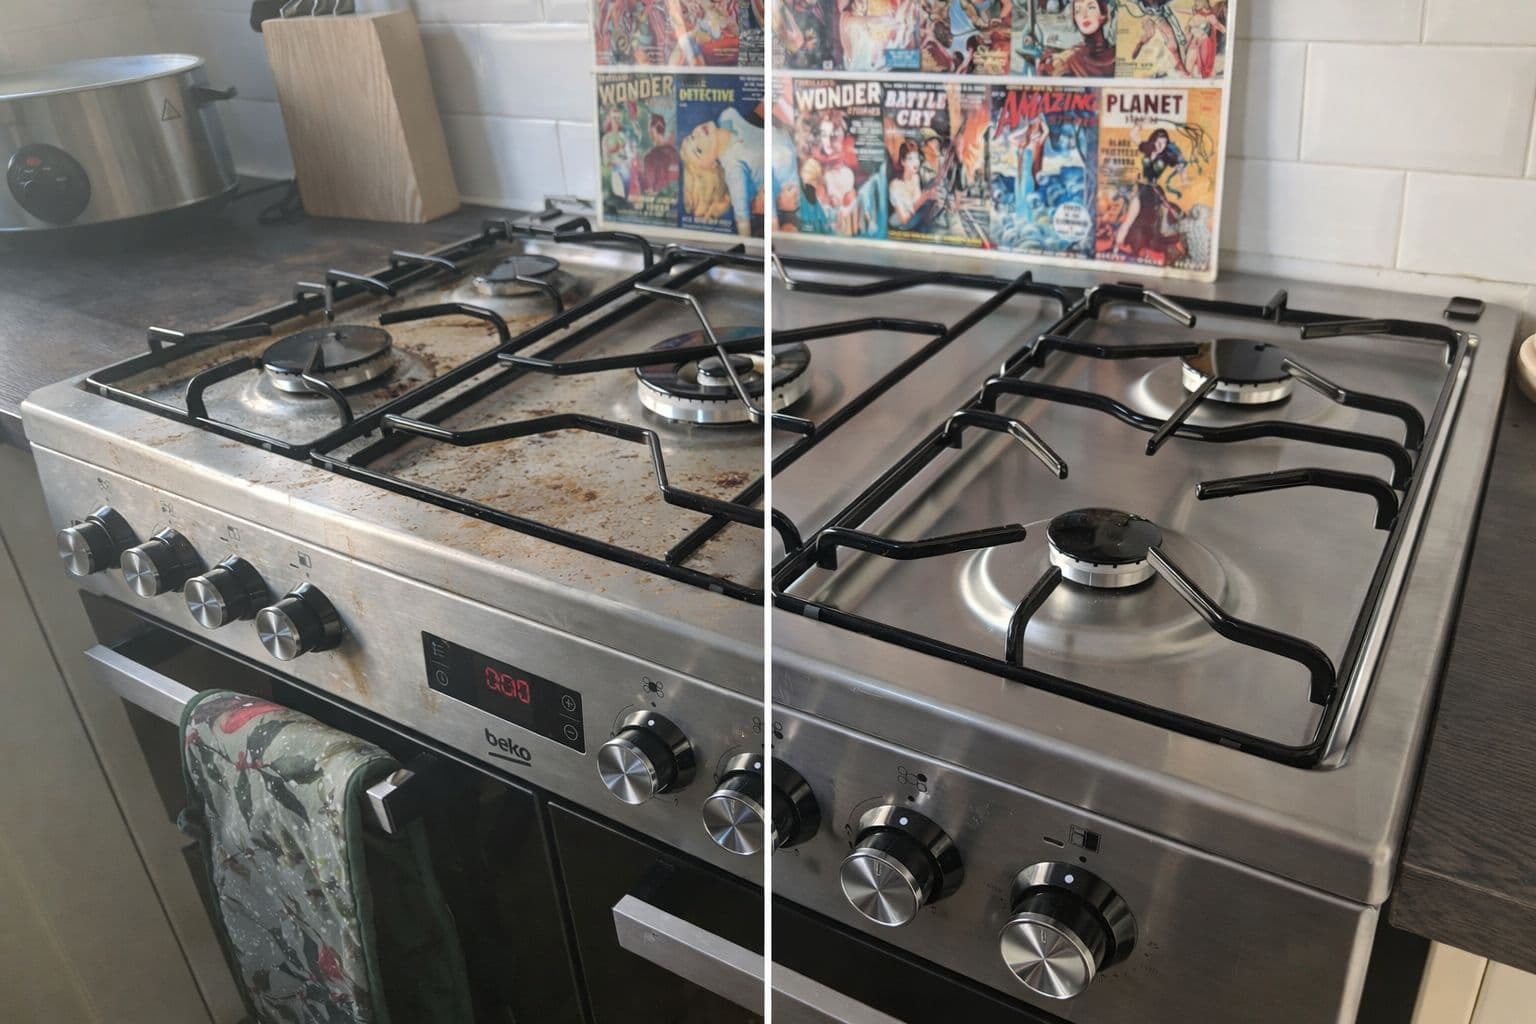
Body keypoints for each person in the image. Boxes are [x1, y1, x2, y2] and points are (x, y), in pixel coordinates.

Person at [680, 103, 764, 236]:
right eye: (699, 150)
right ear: (713, 166)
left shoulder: (726, 118)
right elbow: (742, 221)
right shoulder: (734, 169)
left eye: (692, 137)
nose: (699, 136)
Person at [1112, 127, 1189, 261]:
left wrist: (1184, 178)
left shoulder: (1167, 156)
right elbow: (1132, 134)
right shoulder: (1147, 148)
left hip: (1154, 191)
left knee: (1161, 222)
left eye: (1164, 143)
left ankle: (1176, 246)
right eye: (1158, 142)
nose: (1161, 146)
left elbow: (1181, 165)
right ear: (1153, 140)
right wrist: (1139, 124)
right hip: (1141, 189)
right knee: (1128, 221)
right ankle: (1115, 250)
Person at [1036, 0, 1115, 77]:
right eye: (1078, 11)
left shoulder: (1115, 54)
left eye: (1091, 8)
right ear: (1075, 19)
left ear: (1103, 14)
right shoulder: (1073, 59)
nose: (1084, 15)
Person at [889, 140, 943, 232]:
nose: (915, 162)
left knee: (933, 184)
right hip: (901, 225)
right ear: (903, 162)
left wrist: (927, 196)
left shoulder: (915, 178)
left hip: (916, 218)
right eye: (910, 158)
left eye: (916, 158)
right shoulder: (895, 185)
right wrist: (922, 200)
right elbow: (904, 220)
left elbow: (917, 202)